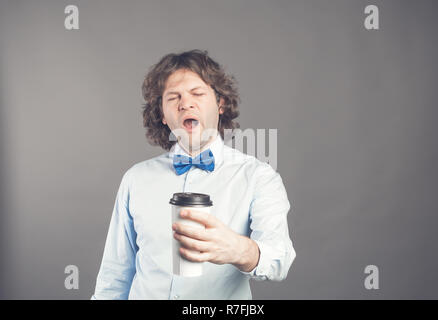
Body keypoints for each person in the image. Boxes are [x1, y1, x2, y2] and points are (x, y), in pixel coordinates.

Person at [92, 49, 296, 299]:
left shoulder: (258, 177)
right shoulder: (135, 179)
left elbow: (279, 259)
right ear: (162, 115)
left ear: (220, 104)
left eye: (197, 93)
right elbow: (115, 275)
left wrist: (239, 250)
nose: (185, 103)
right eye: (173, 97)